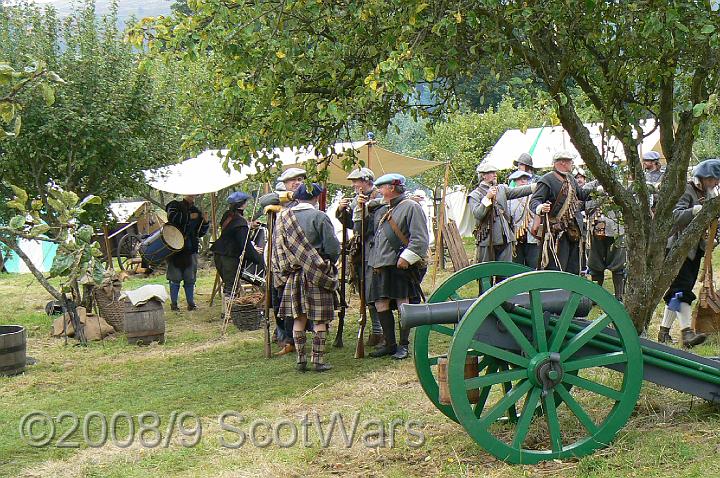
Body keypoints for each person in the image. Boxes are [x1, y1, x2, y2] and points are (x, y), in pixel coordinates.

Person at [273, 183, 340, 372]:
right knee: (320, 320)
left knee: (299, 318)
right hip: (318, 273)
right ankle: (317, 361)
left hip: (294, 275)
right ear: (316, 198)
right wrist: (327, 262)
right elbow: (333, 248)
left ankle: (301, 359)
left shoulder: (284, 217)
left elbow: (279, 249)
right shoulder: (320, 217)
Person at [364, 173, 429, 360]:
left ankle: (403, 345)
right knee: (381, 304)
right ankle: (390, 344)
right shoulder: (385, 208)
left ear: (392, 188)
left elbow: (420, 239)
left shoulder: (411, 207)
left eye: (381, 187)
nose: (378, 190)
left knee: (403, 304)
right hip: (380, 265)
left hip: (399, 265)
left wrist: (406, 258)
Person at [657, 159, 720, 347]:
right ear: (703, 178)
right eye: (713, 179)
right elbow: (673, 217)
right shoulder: (685, 190)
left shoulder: (711, 193)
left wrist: (715, 239)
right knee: (681, 290)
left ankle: (663, 332)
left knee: (678, 290)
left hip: (695, 250)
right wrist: (693, 210)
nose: (716, 183)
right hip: (677, 248)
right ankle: (687, 334)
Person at [257, 167, 307, 355]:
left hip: (293, 261)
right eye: (292, 180)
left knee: (291, 304)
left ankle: (291, 340)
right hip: (275, 260)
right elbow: (265, 200)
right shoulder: (282, 199)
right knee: (277, 302)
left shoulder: (304, 202)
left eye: (300, 179)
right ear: (285, 184)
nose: (296, 183)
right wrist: (285, 197)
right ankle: (284, 336)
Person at [335, 167, 385, 347]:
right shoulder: (358, 198)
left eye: (357, 181)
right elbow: (354, 226)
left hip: (376, 249)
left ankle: (382, 332)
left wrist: (365, 207)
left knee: (376, 292)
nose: (354, 185)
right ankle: (376, 330)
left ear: (367, 181)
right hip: (361, 252)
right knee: (365, 292)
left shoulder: (379, 198)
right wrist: (342, 212)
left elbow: (372, 225)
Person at [530, 150, 594, 274]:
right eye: (570, 162)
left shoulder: (570, 178)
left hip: (573, 231)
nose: (572, 164)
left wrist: (597, 190)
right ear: (562, 163)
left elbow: (581, 194)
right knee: (557, 269)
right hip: (557, 233)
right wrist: (541, 207)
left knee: (573, 269)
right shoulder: (547, 180)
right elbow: (534, 201)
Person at [210, 191, 266, 319]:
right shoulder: (240, 223)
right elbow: (243, 244)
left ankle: (226, 312)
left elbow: (232, 228)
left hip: (219, 252)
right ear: (242, 205)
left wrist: (248, 225)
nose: (247, 204)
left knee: (228, 284)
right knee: (231, 285)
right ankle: (228, 314)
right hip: (229, 255)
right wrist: (256, 256)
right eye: (246, 202)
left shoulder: (228, 215)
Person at [468, 163, 535, 263]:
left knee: (505, 272)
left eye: (495, 172)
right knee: (486, 273)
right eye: (491, 172)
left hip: (505, 238)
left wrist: (535, 187)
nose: (495, 174)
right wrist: (487, 197)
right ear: (483, 176)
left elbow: (518, 191)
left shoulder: (501, 189)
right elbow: (478, 214)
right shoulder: (475, 195)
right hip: (487, 240)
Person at [165, 194, 210, 311]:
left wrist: (205, 222)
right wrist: (189, 216)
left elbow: (200, 232)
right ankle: (174, 304)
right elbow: (172, 217)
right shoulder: (174, 205)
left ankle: (191, 303)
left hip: (191, 249)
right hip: (175, 249)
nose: (192, 196)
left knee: (190, 278)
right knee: (175, 279)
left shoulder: (196, 211)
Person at [507, 170, 539, 268]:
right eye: (519, 179)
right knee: (517, 266)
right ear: (515, 181)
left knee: (533, 265)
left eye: (525, 179)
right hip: (516, 236)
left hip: (532, 235)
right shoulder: (510, 198)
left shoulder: (534, 196)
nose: (522, 181)